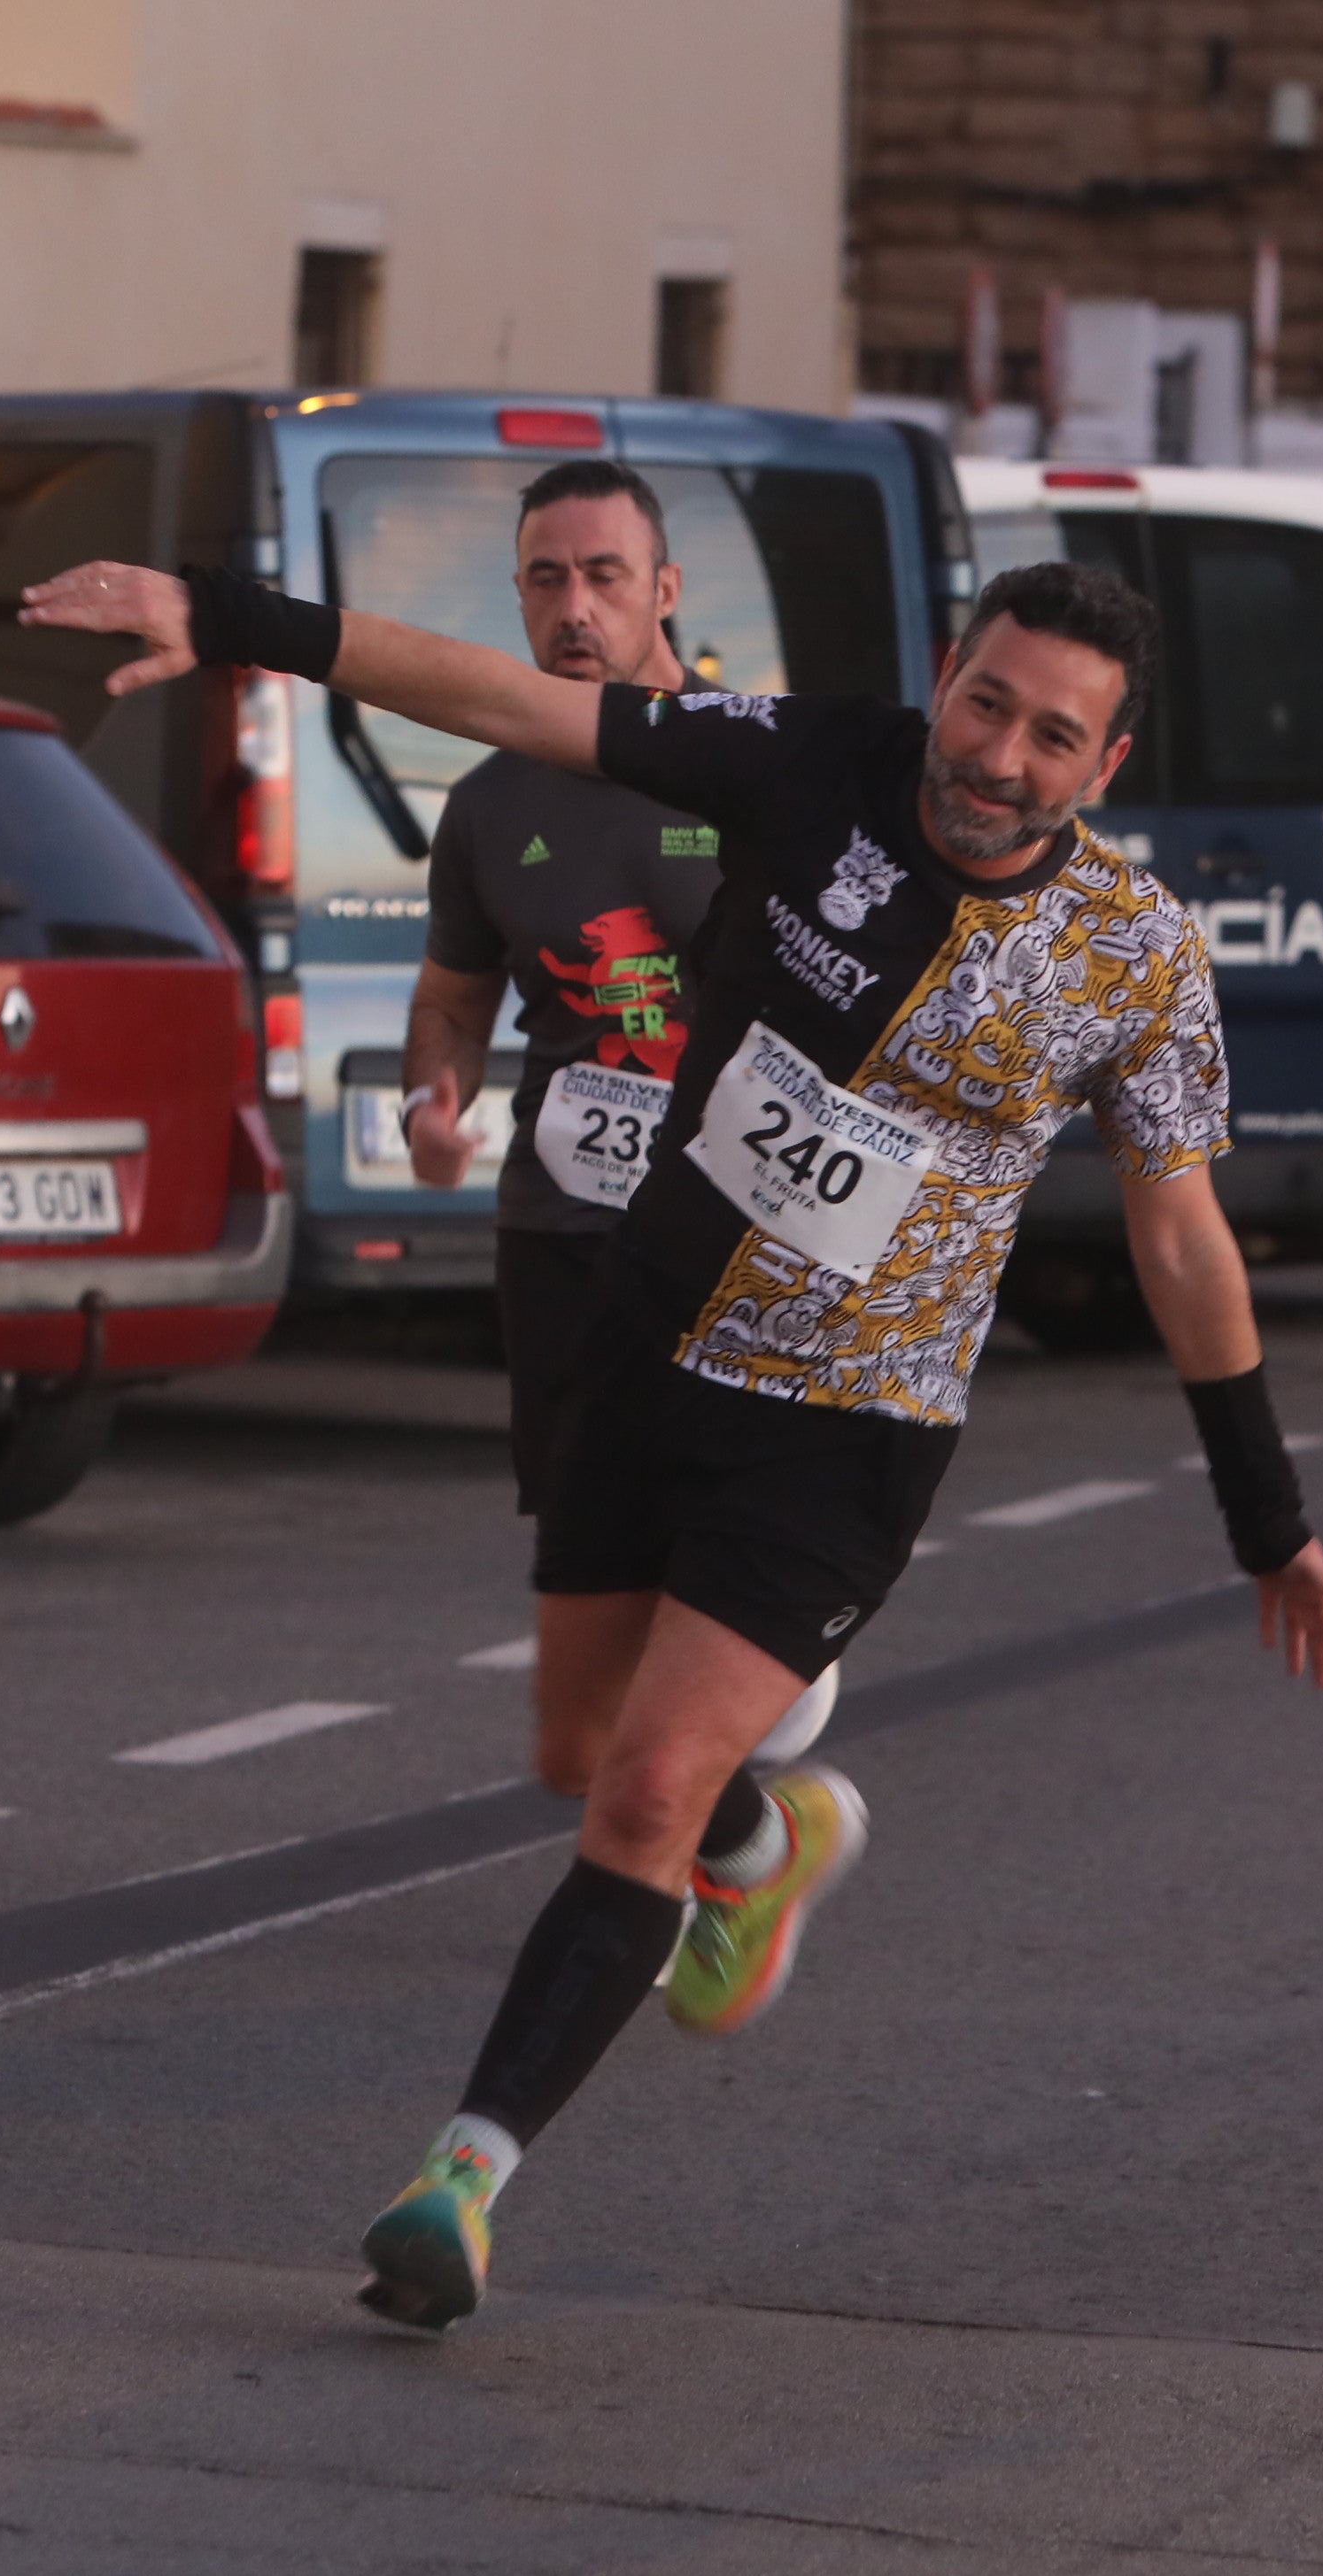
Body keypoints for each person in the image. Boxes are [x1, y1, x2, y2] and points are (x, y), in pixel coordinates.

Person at [21, 551, 1323, 2330]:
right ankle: (762, 1849)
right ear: (941, 679)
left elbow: (1182, 1242)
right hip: (651, 1337)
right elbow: (513, 704)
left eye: (1055, 739)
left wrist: (1264, 1517)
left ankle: (463, 2182)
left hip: (852, 1426)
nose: (1002, 760)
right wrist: (239, 624)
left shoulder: (1135, 956)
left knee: (637, 1790)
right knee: (581, 1748)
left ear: (1103, 769)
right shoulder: (805, 763)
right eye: (986, 706)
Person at [394, 459, 838, 1778]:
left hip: (745, 1227)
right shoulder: (488, 807)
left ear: (665, 590)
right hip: (565, 1231)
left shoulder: (766, 772)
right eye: (546, 578)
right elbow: (455, 1001)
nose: (573, 607)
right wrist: (436, 1094)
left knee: (715, 1542)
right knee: (594, 1574)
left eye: (603, 576)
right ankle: (719, 1832)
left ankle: (714, 1777)